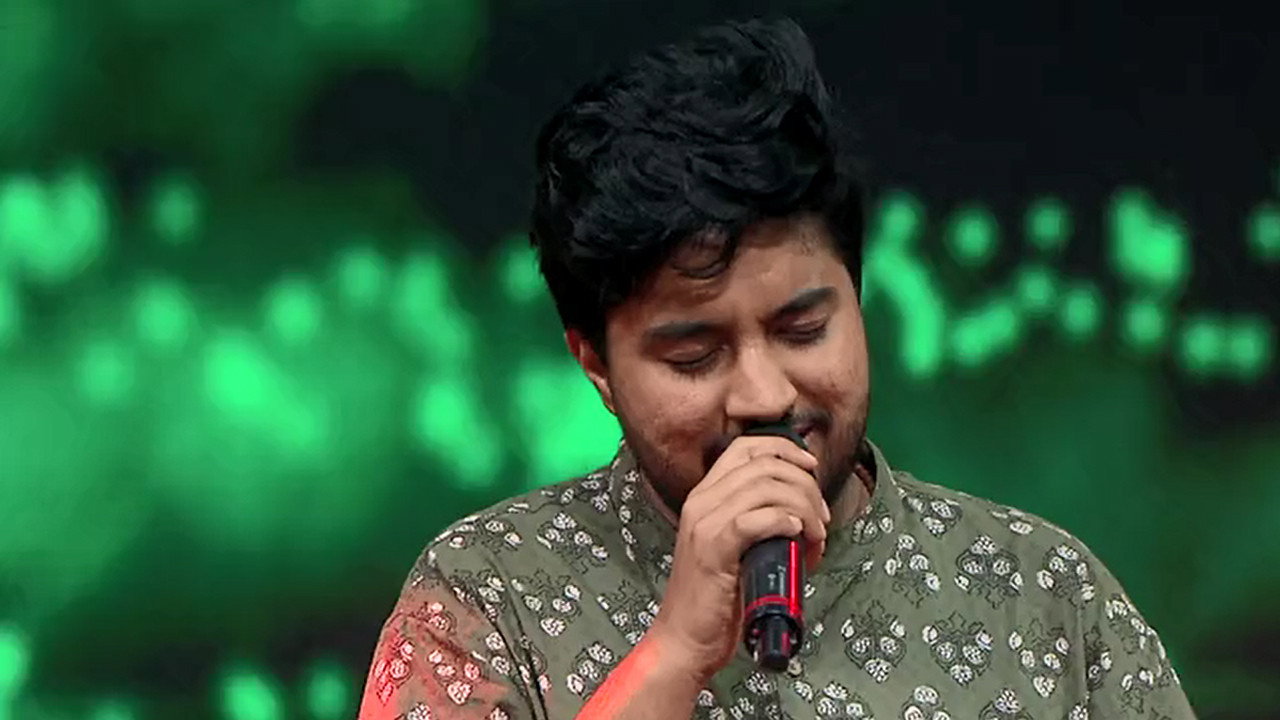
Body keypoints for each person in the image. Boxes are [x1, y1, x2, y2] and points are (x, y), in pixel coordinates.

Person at [356, 17, 1196, 720]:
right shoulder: (483, 598)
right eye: (694, 356)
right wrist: (672, 657)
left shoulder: (1045, 597)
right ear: (597, 366)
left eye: (803, 330)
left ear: (858, 301)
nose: (764, 396)